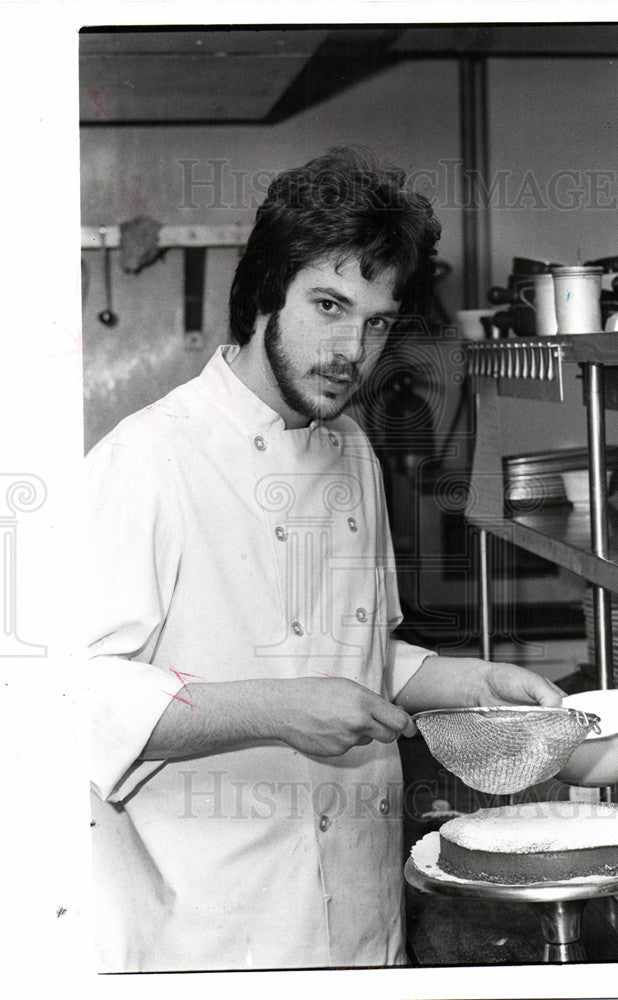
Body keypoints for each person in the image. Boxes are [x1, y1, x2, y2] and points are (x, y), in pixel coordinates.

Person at [88, 147, 563, 972]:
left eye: (377, 322)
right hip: (213, 936)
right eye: (329, 305)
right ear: (265, 291)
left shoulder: (350, 450)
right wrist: (280, 708)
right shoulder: (149, 459)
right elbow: (72, 696)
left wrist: (470, 683)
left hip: (365, 921)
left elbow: (356, 655)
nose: (352, 348)